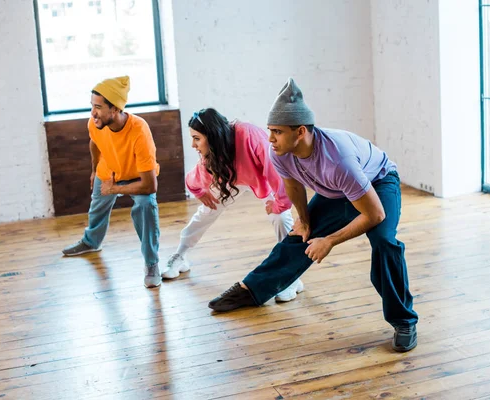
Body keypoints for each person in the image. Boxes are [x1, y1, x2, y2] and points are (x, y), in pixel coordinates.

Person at [208, 78, 419, 352]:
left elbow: (375, 215)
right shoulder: (280, 152)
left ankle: (404, 321)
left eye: (277, 131)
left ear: (301, 132)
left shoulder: (337, 159)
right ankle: (252, 290)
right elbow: (294, 185)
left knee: (383, 242)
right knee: (300, 236)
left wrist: (329, 240)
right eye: (270, 130)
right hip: (337, 189)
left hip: (378, 181)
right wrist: (305, 220)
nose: (270, 138)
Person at [163, 108, 304, 302]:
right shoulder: (212, 153)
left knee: (280, 217)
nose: (193, 144)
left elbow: (274, 168)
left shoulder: (248, 133)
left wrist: (280, 203)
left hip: (263, 178)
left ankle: (291, 277)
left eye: (197, 138)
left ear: (211, 135)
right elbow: (198, 175)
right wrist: (198, 191)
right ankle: (179, 256)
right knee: (205, 212)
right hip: (232, 181)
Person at [62, 76, 162, 289]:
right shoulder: (95, 123)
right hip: (109, 170)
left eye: (98, 107)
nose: (93, 112)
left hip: (137, 176)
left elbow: (150, 186)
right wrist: (94, 170)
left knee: (145, 206)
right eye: (92, 106)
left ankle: (151, 263)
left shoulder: (139, 131)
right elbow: (94, 143)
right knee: (96, 208)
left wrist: (115, 189)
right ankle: (91, 242)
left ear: (115, 109)